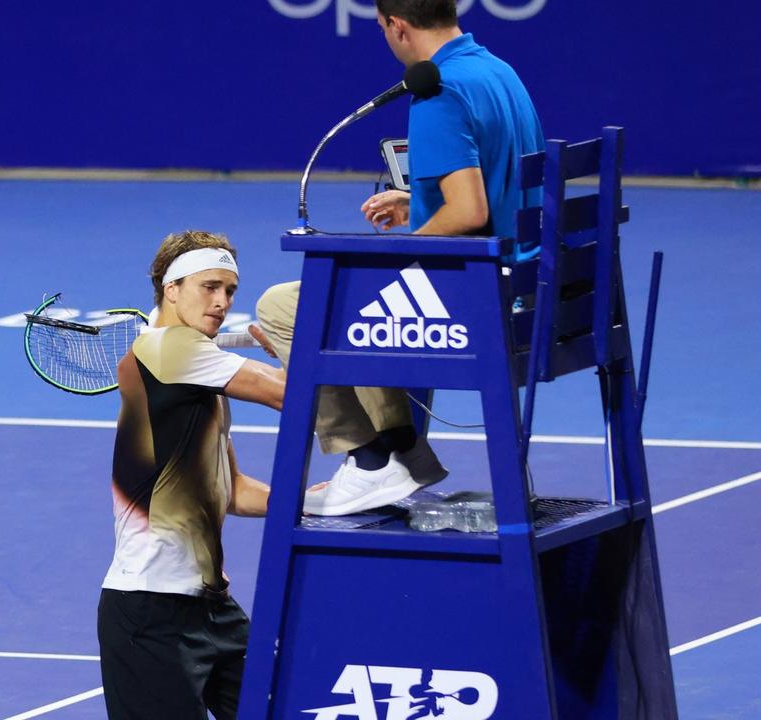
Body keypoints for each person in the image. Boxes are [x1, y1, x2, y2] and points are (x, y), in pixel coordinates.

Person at [254, 0, 544, 517]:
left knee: (285, 305)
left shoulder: (436, 90)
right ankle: (402, 455)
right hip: (524, 284)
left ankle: (372, 460)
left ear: (397, 25)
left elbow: (470, 212)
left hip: (477, 302)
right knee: (363, 288)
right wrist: (418, 204)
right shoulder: (498, 71)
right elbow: (500, 192)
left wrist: (398, 251)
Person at [98, 231, 286, 720]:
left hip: (213, 608)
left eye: (230, 291)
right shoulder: (169, 349)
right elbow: (288, 393)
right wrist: (295, 343)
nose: (222, 302)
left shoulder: (197, 372)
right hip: (149, 612)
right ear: (171, 288)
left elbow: (234, 491)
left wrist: (317, 503)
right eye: (210, 287)